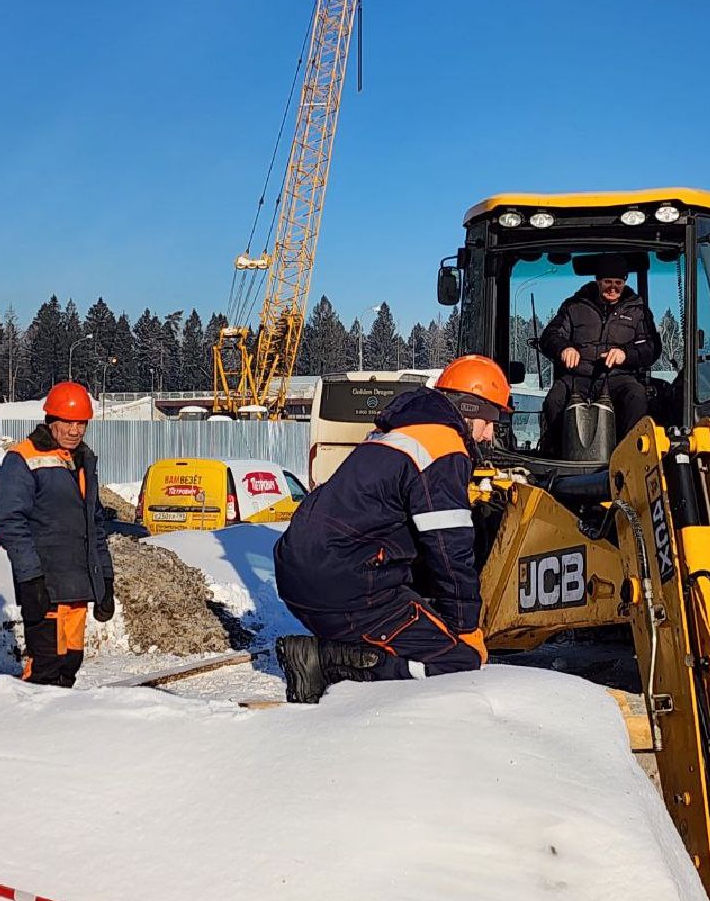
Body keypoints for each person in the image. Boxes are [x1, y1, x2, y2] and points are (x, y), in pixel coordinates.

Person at [273, 355, 511, 703]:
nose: (489, 434)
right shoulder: (444, 448)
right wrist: (466, 627)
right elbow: (450, 551)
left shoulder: (396, 433)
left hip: (299, 575)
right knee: (460, 660)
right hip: (345, 583)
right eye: (489, 421)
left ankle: (336, 652)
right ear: (469, 408)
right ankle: (328, 664)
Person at [0, 381, 115, 688]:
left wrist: (105, 579)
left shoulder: (82, 461)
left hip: (77, 589)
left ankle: (63, 719)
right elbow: (10, 522)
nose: (75, 430)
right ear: (51, 420)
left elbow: (94, 525)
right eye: (68, 422)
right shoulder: (22, 458)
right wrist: (31, 578)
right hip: (45, 588)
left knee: (68, 667)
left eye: (81, 423)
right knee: (45, 670)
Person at [538, 253, 662, 449]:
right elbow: (549, 336)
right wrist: (564, 348)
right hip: (578, 377)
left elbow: (652, 348)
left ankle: (627, 452)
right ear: (598, 281)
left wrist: (625, 354)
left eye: (618, 282)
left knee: (637, 396)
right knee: (554, 399)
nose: (613, 288)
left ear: (624, 282)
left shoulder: (638, 311)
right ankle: (556, 451)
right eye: (608, 282)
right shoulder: (574, 306)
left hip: (618, 377)